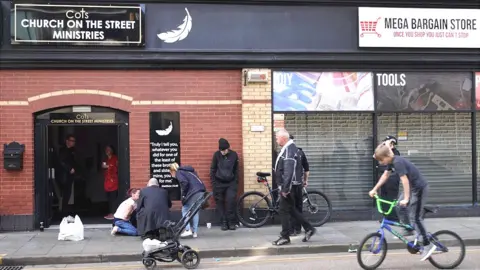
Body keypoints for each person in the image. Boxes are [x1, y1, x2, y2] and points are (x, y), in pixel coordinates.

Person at [370, 143, 437, 261]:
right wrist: (375, 189)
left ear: (386, 156)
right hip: (412, 188)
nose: (381, 163)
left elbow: (404, 181)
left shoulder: (398, 162)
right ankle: (409, 229)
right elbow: (385, 175)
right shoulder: (391, 162)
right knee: (398, 207)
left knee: (415, 218)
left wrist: (406, 199)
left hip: (419, 188)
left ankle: (428, 245)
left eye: (381, 160)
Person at [272, 129, 316, 246]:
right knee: (291, 209)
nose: (276, 139)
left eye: (277, 137)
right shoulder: (290, 149)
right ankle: (308, 228)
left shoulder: (289, 150)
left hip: (289, 187)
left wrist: (285, 189)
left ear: (283, 138)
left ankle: (285, 236)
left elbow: (289, 171)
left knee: (283, 210)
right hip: (294, 185)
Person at [170, 163, 206, 238]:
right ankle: (195, 232)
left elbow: (184, 182)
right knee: (195, 212)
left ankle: (187, 230)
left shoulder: (179, 172)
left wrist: (183, 195)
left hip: (193, 193)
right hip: (201, 192)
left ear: (173, 170)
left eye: (170, 172)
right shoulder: (190, 172)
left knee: (185, 209)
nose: (171, 174)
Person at [210, 138, 239, 231]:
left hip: (231, 183)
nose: (222, 152)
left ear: (228, 148)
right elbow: (213, 169)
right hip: (219, 183)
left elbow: (236, 169)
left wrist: (235, 181)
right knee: (220, 203)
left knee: (230, 202)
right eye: (221, 150)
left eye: (224, 150)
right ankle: (224, 222)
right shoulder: (216, 155)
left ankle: (231, 222)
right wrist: (214, 183)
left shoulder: (234, 155)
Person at [288, 134, 310, 235]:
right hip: (298, 184)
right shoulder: (300, 152)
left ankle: (292, 229)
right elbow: (306, 168)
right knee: (298, 206)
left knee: (291, 207)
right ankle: (298, 228)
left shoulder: (286, 152)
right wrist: (305, 181)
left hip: (290, 185)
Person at [378, 136, 403, 224]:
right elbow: (375, 156)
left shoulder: (395, 152)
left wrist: (389, 145)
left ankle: (394, 218)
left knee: (391, 198)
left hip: (392, 178)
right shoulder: (385, 152)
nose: (385, 144)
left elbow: (392, 163)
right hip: (385, 177)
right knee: (384, 198)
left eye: (387, 143)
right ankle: (386, 217)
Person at [57, 134, 77, 216]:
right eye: (72, 141)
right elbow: (61, 162)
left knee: (67, 194)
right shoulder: (63, 150)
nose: (73, 142)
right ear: (67, 141)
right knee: (65, 194)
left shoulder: (72, 151)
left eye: (74, 141)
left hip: (70, 176)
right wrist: (69, 169)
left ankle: (64, 212)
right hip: (64, 175)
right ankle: (63, 213)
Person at [102, 145, 119, 220]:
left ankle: (114, 213)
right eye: (106, 149)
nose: (107, 150)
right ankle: (110, 212)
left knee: (113, 197)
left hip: (114, 180)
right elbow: (103, 167)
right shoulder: (105, 159)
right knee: (108, 198)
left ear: (112, 150)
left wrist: (109, 166)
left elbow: (117, 167)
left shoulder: (115, 158)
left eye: (109, 149)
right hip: (107, 181)